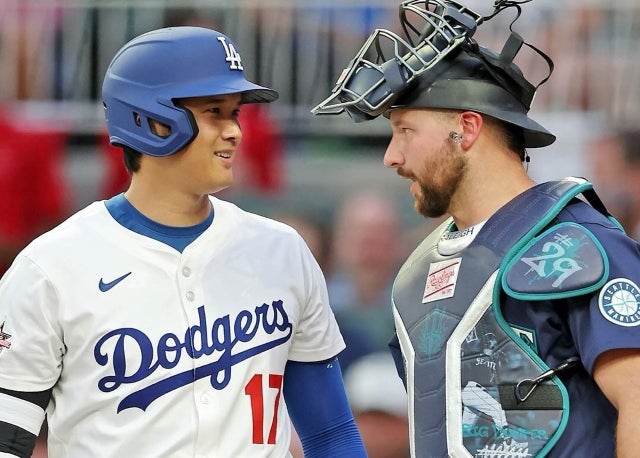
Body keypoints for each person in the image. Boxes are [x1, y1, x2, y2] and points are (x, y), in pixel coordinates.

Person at [0, 26, 366, 458]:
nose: (235, 131)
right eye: (215, 112)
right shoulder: (50, 267)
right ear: (151, 120)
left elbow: (331, 434)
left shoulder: (282, 250)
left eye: (234, 113)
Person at [312, 0, 640, 456]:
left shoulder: (578, 246)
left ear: (466, 129)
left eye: (405, 131)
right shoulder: (418, 271)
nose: (391, 156)